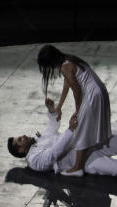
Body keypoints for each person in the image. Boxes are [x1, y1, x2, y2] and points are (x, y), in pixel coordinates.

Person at [8, 98, 117, 176]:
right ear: (21, 150)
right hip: (80, 161)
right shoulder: (35, 161)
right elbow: (54, 154)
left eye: (20, 137)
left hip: (84, 142)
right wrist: (70, 130)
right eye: (20, 140)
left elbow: (52, 127)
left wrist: (52, 110)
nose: (23, 136)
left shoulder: (38, 140)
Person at [37, 44, 111, 176]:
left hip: (92, 94)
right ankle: (90, 154)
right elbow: (68, 83)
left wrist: (78, 111)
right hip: (99, 90)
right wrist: (59, 106)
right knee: (87, 125)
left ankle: (77, 168)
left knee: (80, 126)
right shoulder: (68, 59)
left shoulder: (65, 66)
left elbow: (77, 90)